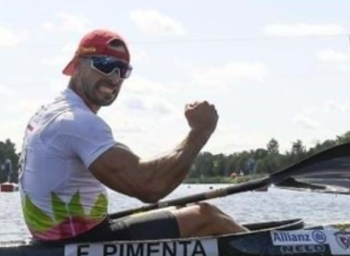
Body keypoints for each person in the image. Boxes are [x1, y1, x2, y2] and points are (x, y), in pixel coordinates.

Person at [18, 28, 248, 244]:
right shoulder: (77, 121)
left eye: (122, 69)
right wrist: (200, 133)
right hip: (83, 244)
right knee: (206, 216)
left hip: (59, 241)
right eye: (105, 65)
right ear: (77, 65)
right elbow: (150, 187)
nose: (115, 78)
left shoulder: (47, 112)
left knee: (187, 210)